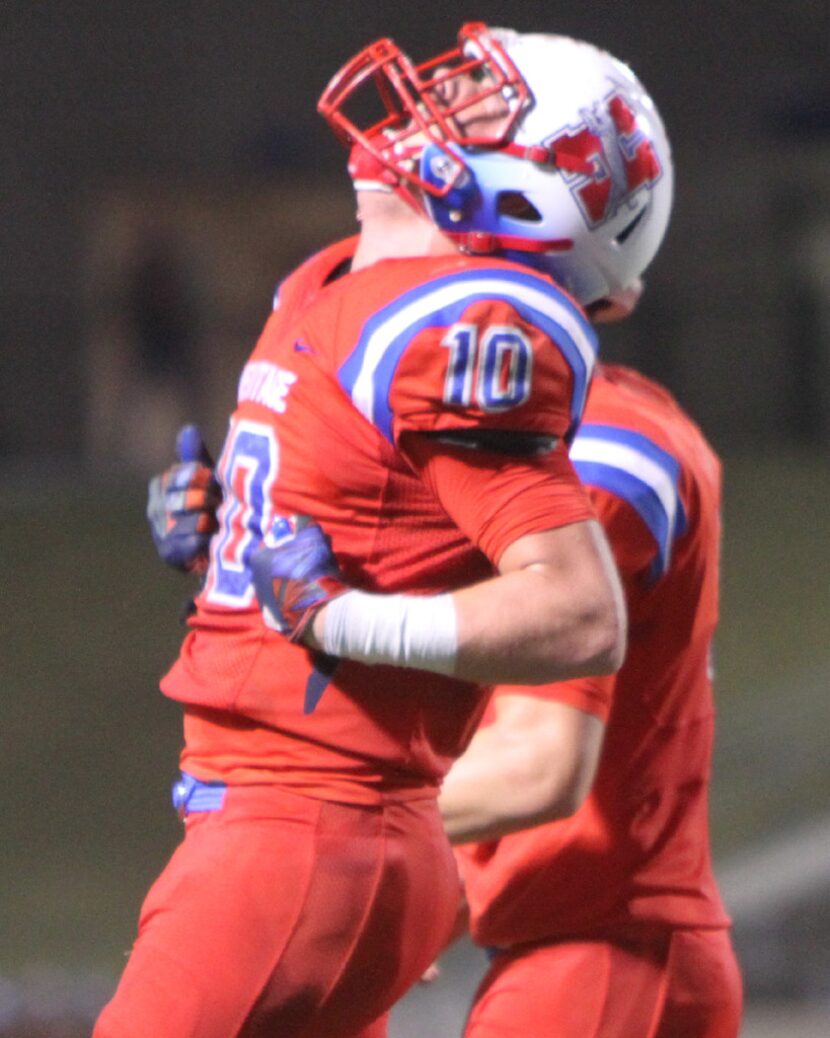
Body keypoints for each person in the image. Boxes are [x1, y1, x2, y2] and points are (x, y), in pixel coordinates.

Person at [96, 24, 673, 1038]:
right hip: (296, 828)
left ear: (541, 193)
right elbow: (373, 518)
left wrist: (345, 620)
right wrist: (229, 525)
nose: (423, 112)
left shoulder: (457, 324)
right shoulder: (331, 285)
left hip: (306, 830)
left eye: (479, 109)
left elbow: (578, 614)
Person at [436, 360, 743, 1037]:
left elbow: (536, 764)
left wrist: (344, 824)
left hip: (596, 959)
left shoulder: (588, 452)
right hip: (599, 952)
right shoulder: (600, 418)